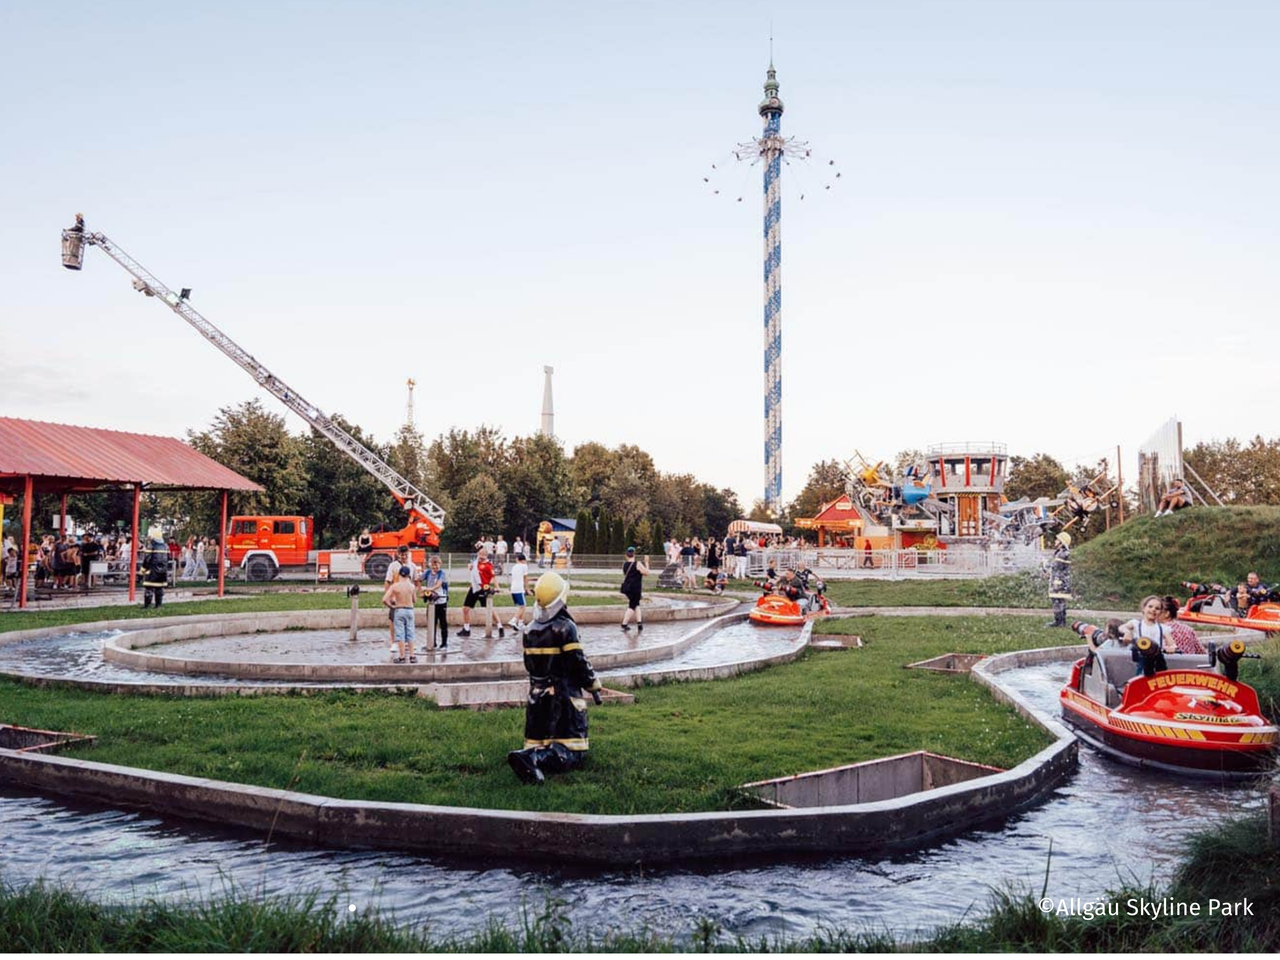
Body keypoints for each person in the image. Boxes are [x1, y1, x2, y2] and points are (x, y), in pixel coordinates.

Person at [507, 571, 602, 785]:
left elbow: (529, 665)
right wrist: (593, 683)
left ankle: (533, 752)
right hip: (563, 698)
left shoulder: (529, 630)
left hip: (537, 697)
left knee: (538, 740)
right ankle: (533, 758)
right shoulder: (566, 628)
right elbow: (578, 662)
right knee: (572, 753)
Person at [384, 546, 419, 654]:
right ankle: (394, 642)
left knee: (409, 623)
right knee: (393, 619)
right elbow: (388, 581)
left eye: (406, 555)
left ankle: (409, 643)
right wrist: (389, 596)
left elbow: (417, 582)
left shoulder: (412, 566)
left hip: (407, 599)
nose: (404, 557)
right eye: (402, 555)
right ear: (398, 554)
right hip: (395, 597)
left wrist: (413, 593)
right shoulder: (393, 566)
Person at [458, 548, 498, 638]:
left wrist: (497, 587)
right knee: (465, 608)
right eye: (480, 553)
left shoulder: (488, 565)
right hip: (474, 588)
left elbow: (493, 576)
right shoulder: (476, 563)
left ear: (486, 555)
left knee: (489, 608)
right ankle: (466, 629)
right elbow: (472, 568)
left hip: (483, 589)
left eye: (483, 554)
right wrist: (470, 566)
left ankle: (499, 626)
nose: (481, 555)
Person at [138, 527, 169, 609]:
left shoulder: (151, 545)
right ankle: (158, 605)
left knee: (149, 588)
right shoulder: (165, 546)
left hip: (152, 571)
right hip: (162, 572)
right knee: (159, 588)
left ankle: (147, 605)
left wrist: (143, 570)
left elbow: (147, 559)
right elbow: (167, 559)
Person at [422, 555, 449, 649]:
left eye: (437, 565)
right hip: (431, 601)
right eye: (433, 565)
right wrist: (418, 588)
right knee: (431, 622)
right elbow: (419, 579)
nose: (435, 567)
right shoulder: (428, 573)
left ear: (440, 564)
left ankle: (444, 643)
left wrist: (429, 589)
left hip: (441, 601)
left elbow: (438, 584)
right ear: (430, 565)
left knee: (443, 623)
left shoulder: (442, 573)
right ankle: (432, 642)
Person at [620, 546, 650, 632]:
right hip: (635, 588)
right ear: (634, 554)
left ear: (626, 555)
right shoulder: (637, 564)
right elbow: (646, 573)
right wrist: (647, 563)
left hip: (627, 588)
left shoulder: (625, 564)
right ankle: (624, 624)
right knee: (632, 606)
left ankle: (639, 623)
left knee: (636, 604)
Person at [1046, 532, 1072, 627]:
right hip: (1059, 581)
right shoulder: (1060, 552)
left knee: (1058, 601)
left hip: (1060, 582)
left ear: (1061, 542)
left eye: (1057, 540)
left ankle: (1059, 621)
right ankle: (1060, 620)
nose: (1055, 541)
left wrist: (1046, 564)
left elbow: (1057, 566)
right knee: (1058, 601)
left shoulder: (1062, 553)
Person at [508, 551, 530, 629]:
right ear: (523, 560)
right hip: (519, 589)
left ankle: (521, 623)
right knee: (523, 607)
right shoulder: (524, 566)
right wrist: (528, 589)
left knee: (522, 606)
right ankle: (513, 620)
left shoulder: (514, 567)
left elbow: (517, 577)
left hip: (513, 588)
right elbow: (525, 578)